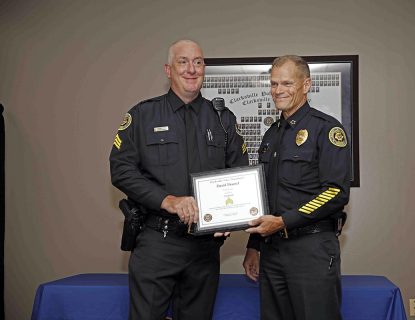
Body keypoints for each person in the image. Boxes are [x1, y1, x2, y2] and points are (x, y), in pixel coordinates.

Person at [110, 39, 248, 320]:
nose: (191, 69)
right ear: (168, 69)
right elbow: (121, 169)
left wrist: (229, 217)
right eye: (182, 62)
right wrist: (167, 200)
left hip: (204, 249)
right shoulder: (142, 115)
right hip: (157, 243)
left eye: (198, 62)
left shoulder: (222, 119)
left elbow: (239, 173)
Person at [243, 55, 351, 320]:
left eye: (287, 83)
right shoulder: (271, 135)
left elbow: (335, 192)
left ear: (306, 85)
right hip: (272, 251)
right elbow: (266, 195)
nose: (278, 90)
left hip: (311, 249)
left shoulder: (326, 130)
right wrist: (254, 245)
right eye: (274, 84)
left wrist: (283, 221)